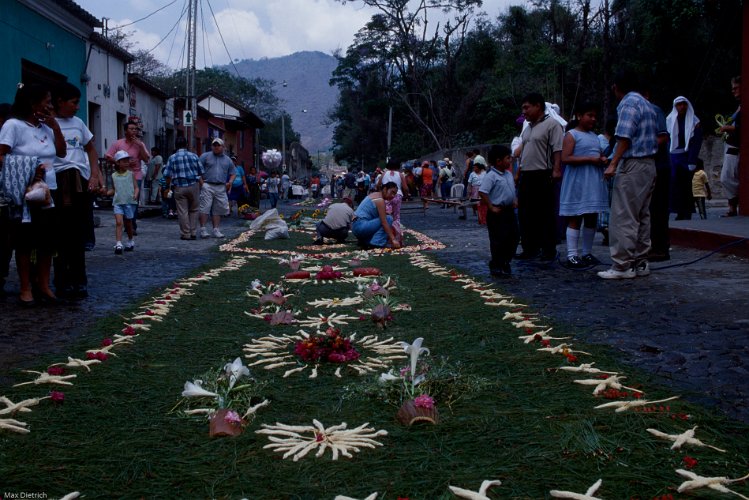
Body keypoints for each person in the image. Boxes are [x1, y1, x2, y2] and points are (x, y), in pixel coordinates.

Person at [0, 83, 67, 306]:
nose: (50, 106)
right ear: (32, 103)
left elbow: (61, 152)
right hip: (25, 193)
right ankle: (25, 287)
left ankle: (44, 285)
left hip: (48, 191)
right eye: (47, 101)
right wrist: (28, 169)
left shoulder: (46, 127)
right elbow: (2, 156)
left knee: (47, 241)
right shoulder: (13, 126)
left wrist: (55, 127)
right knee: (25, 242)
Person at [598, 70, 658, 280]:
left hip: (633, 163)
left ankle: (622, 265)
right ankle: (640, 261)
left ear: (617, 86)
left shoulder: (629, 103)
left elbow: (624, 136)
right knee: (642, 215)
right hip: (649, 164)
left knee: (623, 215)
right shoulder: (647, 104)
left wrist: (613, 163)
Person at [52, 82, 104, 299]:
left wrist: (94, 174)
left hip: (79, 183)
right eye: (73, 103)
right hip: (56, 182)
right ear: (60, 102)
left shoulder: (78, 123)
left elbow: (91, 149)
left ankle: (79, 280)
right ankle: (61, 280)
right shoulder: (47, 124)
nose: (76, 107)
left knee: (77, 233)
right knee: (59, 234)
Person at [559, 102, 609, 268]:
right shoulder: (572, 135)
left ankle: (587, 253)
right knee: (575, 216)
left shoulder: (595, 136)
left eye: (595, 116)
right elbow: (565, 157)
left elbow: (598, 154)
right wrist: (589, 159)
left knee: (591, 216)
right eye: (589, 115)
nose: (593, 119)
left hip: (592, 181)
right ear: (580, 116)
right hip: (577, 181)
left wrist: (602, 160)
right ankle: (572, 255)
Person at [516, 92, 564, 260]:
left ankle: (548, 250)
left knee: (544, 213)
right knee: (526, 213)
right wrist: (518, 173)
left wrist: (556, 169)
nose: (524, 111)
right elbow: (523, 153)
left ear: (538, 106)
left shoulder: (552, 124)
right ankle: (529, 248)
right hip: (526, 175)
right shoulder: (528, 128)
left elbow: (557, 149)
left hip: (543, 173)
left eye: (526, 107)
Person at [479, 145, 519, 277]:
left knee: (513, 236)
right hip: (498, 212)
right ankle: (496, 264)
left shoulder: (508, 173)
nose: (510, 160)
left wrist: (514, 200)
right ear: (498, 161)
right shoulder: (491, 176)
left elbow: (511, 188)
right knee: (498, 239)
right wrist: (491, 207)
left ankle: (506, 260)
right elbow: (483, 192)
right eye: (508, 158)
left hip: (509, 211)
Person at [105, 121, 150, 234]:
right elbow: (108, 156)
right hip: (121, 176)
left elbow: (146, 159)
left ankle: (132, 225)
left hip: (136, 174)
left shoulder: (140, 144)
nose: (134, 131)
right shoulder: (118, 143)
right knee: (123, 199)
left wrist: (140, 146)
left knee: (134, 200)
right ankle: (126, 222)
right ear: (125, 131)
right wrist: (119, 163)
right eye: (131, 129)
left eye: (135, 129)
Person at [666, 96, 703, 220]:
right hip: (672, 157)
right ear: (675, 106)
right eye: (679, 104)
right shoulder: (670, 120)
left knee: (686, 186)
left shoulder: (694, 122)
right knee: (673, 185)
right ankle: (676, 210)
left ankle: (686, 211)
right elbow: (667, 140)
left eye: (684, 104)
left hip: (686, 157)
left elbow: (696, 142)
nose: (682, 107)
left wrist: (692, 160)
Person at [163, 136, 204, 240]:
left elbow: (167, 174)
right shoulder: (194, 156)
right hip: (193, 186)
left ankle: (186, 233)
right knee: (194, 209)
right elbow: (201, 171)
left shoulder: (172, 157)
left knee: (182, 211)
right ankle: (193, 232)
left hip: (179, 187)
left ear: (176, 146)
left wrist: (168, 186)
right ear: (187, 144)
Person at [198, 138, 234, 238]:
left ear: (223, 147)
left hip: (221, 186)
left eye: (218, 145)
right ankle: (203, 229)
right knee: (205, 207)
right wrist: (202, 183)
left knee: (218, 209)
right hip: (207, 184)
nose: (216, 147)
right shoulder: (205, 156)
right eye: (214, 145)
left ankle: (216, 229)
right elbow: (198, 170)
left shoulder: (227, 159)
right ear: (212, 146)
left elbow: (233, 173)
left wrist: (230, 182)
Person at [352, 182, 402, 249]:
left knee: (385, 217)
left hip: (356, 227)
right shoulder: (379, 200)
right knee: (389, 218)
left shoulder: (374, 195)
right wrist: (393, 239)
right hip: (361, 226)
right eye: (392, 192)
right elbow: (384, 222)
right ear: (385, 189)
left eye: (395, 194)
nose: (393, 196)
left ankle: (365, 242)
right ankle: (377, 243)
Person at [107, 151, 138, 254]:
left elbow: (136, 187)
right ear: (118, 163)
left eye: (127, 161)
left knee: (128, 224)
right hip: (118, 202)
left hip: (129, 202)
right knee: (119, 222)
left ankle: (130, 240)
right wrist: (107, 193)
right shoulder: (114, 176)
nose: (126, 163)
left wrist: (136, 194)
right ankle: (119, 243)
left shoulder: (131, 174)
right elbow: (114, 189)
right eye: (124, 161)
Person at [719, 76, 741, 217]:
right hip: (732, 145)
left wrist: (727, 128)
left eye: (736, 88)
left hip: (736, 146)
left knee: (726, 177)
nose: (733, 91)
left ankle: (734, 204)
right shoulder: (740, 106)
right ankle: (732, 206)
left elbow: (739, 127)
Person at [379, 159, 408, 245]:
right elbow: (405, 187)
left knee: (386, 216)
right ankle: (398, 238)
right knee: (396, 217)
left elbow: (378, 184)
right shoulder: (400, 174)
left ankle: (387, 237)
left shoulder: (384, 174)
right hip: (398, 196)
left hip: (386, 196)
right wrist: (406, 194)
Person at [468, 155, 487, 224]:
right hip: (475, 189)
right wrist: (469, 191)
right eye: (473, 168)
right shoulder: (472, 174)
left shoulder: (484, 173)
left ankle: (481, 213)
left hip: (482, 189)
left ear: (479, 168)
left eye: (475, 167)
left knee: (481, 201)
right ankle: (475, 211)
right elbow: (469, 183)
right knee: (474, 201)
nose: (474, 169)